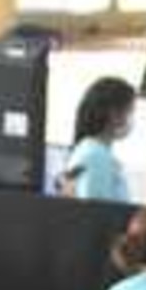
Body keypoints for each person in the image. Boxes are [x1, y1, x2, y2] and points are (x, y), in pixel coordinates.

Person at [60, 76, 136, 204]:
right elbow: (98, 215)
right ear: (114, 114)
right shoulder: (96, 156)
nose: (131, 118)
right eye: (130, 111)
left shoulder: (89, 150)